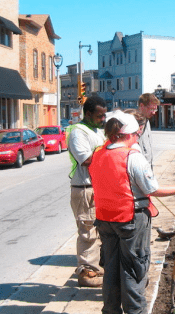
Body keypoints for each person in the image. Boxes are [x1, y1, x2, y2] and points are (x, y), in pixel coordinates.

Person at [89, 111, 175, 314]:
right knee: (134, 266)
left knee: (111, 267)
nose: (138, 137)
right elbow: (152, 189)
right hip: (130, 217)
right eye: (136, 134)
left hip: (105, 219)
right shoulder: (131, 157)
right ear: (127, 134)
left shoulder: (98, 154)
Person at [66, 95, 107, 287]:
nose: (103, 119)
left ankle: (95, 268)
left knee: (97, 232)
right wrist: (109, 153)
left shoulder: (96, 131)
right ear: (88, 113)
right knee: (87, 231)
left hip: (96, 187)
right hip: (84, 188)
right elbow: (87, 160)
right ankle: (86, 273)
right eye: (100, 116)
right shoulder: (78, 132)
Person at [137, 93, 159, 169]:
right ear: (141, 106)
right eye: (151, 109)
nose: (154, 112)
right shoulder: (133, 125)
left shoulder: (147, 121)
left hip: (147, 168)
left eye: (155, 109)